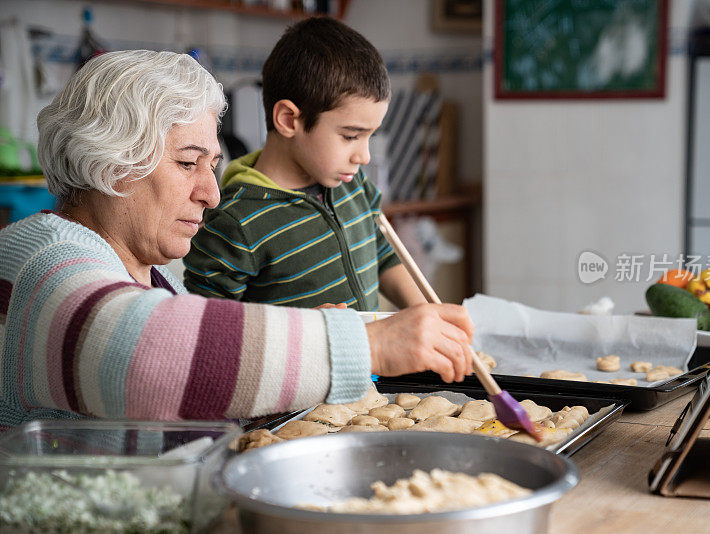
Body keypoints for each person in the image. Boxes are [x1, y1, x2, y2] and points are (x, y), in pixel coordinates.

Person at [0, 50, 473, 431]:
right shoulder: (45, 259)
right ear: (110, 164)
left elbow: (191, 403)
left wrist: (306, 356)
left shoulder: (152, 275)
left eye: (212, 164)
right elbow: (140, 352)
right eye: (188, 163)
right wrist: (361, 346)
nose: (210, 193)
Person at [182, 17, 425, 311]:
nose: (364, 156)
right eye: (350, 136)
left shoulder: (353, 183)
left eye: (369, 137)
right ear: (288, 120)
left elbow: (380, 251)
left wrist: (424, 312)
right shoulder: (236, 222)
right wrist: (307, 334)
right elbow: (208, 327)